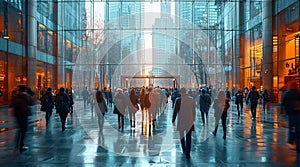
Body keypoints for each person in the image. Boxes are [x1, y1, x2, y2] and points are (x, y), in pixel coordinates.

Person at [172, 88, 196, 159]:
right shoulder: (191, 99)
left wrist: (173, 120)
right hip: (189, 119)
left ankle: (184, 149)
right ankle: (188, 152)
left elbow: (175, 111)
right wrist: (193, 118)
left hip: (181, 119)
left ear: (180, 92)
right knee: (189, 137)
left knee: (181, 136)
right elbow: (193, 110)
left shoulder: (178, 100)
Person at [10, 85, 34, 153]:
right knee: (23, 130)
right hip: (24, 113)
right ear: (25, 90)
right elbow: (32, 102)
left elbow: (11, 104)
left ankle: (17, 145)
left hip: (17, 113)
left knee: (20, 129)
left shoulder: (15, 95)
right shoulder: (26, 96)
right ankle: (21, 145)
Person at [281, 82, 300, 152]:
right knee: (298, 129)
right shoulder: (299, 93)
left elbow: (283, 102)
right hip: (298, 113)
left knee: (291, 127)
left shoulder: (287, 93)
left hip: (291, 113)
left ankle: (291, 139)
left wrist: (282, 111)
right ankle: (298, 144)